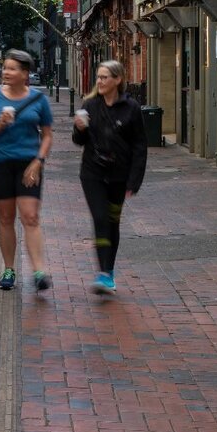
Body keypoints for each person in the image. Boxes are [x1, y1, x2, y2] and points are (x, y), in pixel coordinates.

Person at [0, 49, 53, 291]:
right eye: (5, 68)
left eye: (12, 69)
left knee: (30, 216)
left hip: (29, 164)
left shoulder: (39, 100)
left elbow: (48, 135)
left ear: (25, 73)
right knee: (6, 218)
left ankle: (39, 271)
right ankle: (9, 269)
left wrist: (38, 161)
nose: (6, 72)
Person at [73, 60, 147, 294]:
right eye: (98, 77)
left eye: (105, 77)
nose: (100, 81)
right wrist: (80, 128)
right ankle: (103, 273)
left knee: (112, 222)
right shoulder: (90, 105)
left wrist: (134, 181)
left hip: (119, 176)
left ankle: (109, 272)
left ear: (118, 79)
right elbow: (79, 141)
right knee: (101, 218)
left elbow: (139, 147)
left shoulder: (131, 108)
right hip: (92, 173)